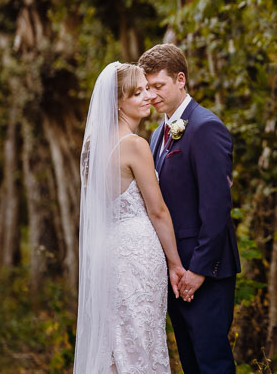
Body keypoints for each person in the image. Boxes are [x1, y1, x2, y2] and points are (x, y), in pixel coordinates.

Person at [74, 62, 186, 374]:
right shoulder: (135, 145)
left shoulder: (92, 149)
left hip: (108, 252)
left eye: (148, 89)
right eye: (137, 93)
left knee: (117, 341)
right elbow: (158, 211)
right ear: (118, 103)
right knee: (140, 340)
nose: (148, 96)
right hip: (137, 255)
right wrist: (175, 264)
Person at [139, 43, 240, 374]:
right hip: (174, 271)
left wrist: (197, 270)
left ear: (180, 80)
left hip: (205, 271)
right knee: (191, 363)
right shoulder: (156, 135)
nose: (152, 95)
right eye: (147, 87)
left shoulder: (205, 127)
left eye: (158, 86)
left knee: (213, 363)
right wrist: (173, 267)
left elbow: (216, 207)